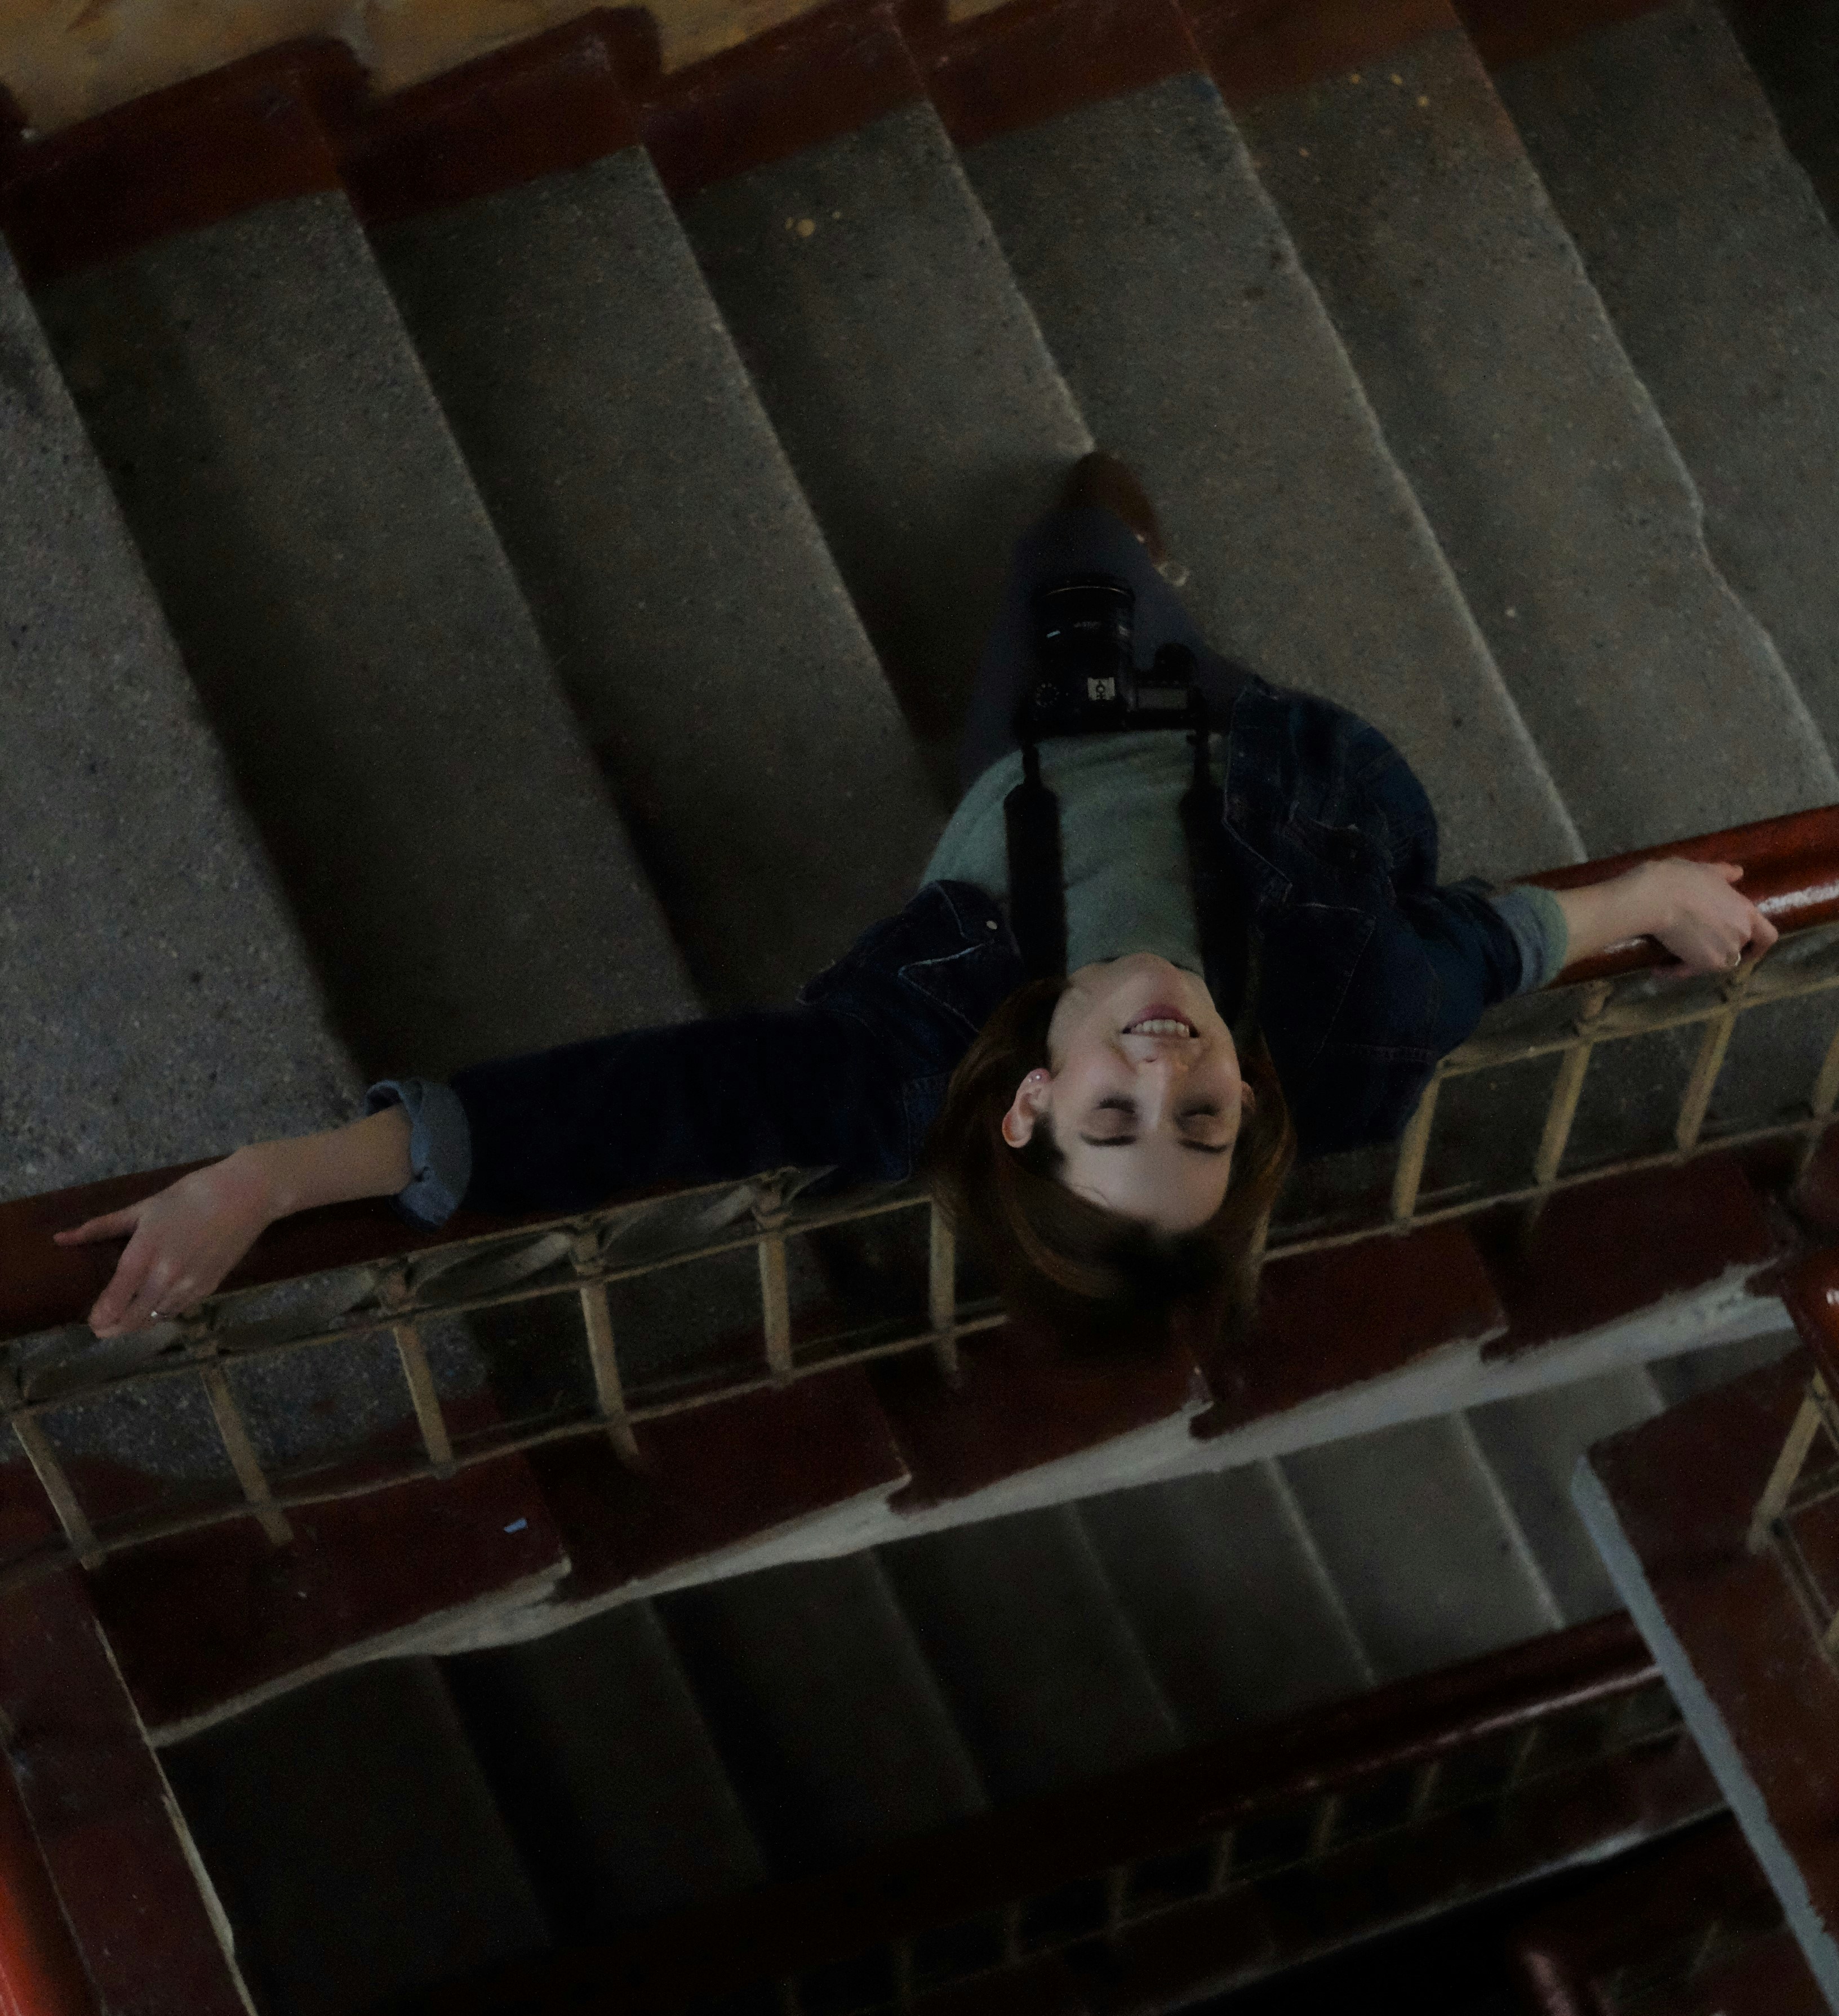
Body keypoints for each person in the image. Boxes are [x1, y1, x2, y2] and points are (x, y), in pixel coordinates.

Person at [61, 454, 1777, 1355]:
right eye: (1197, 1114)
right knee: (1116, 588)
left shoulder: (901, 1066)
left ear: (1031, 1095)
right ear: (1252, 1100)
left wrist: (279, 1175)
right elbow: (1500, 940)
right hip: (1249, 754)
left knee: (1067, 590)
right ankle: (1107, 538)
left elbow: (632, 1111)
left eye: (1120, 1112)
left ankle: (1089, 538)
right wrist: (1643, 897)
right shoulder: (1365, 1019)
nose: (1168, 1062)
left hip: (1036, 767)